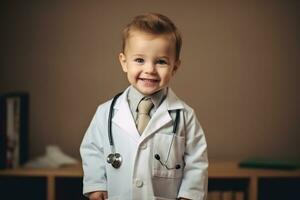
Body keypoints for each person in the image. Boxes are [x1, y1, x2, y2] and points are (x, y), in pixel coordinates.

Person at [80, 13, 208, 200]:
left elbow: (196, 162)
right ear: (124, 62)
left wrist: (189, 196)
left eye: (161, 61)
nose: (149, 69)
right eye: (139, 60)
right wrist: (96, 185)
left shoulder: (185, 116)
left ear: (175, 67)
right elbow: (92, 150)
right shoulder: (105, 112)